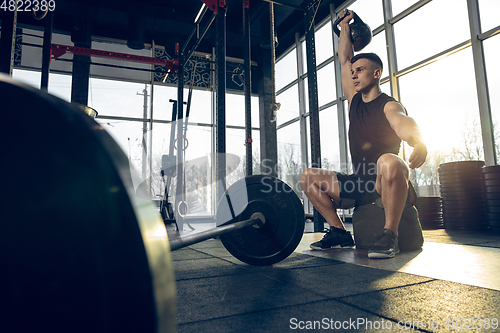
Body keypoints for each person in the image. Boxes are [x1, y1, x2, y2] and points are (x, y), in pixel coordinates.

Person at [299, 9, 427, 259]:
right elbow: (345, 58)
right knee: (308, 177)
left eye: (360, 70)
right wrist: (345, 26)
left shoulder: (389, 105)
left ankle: (390, 235)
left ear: (376, 73)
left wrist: (417, 141)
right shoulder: (354, 101)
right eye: (353, 72)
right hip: (360, 183)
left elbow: (403, 123)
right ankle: (338, 232)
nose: (354, 74)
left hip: (386, 180)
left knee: (389, 160)